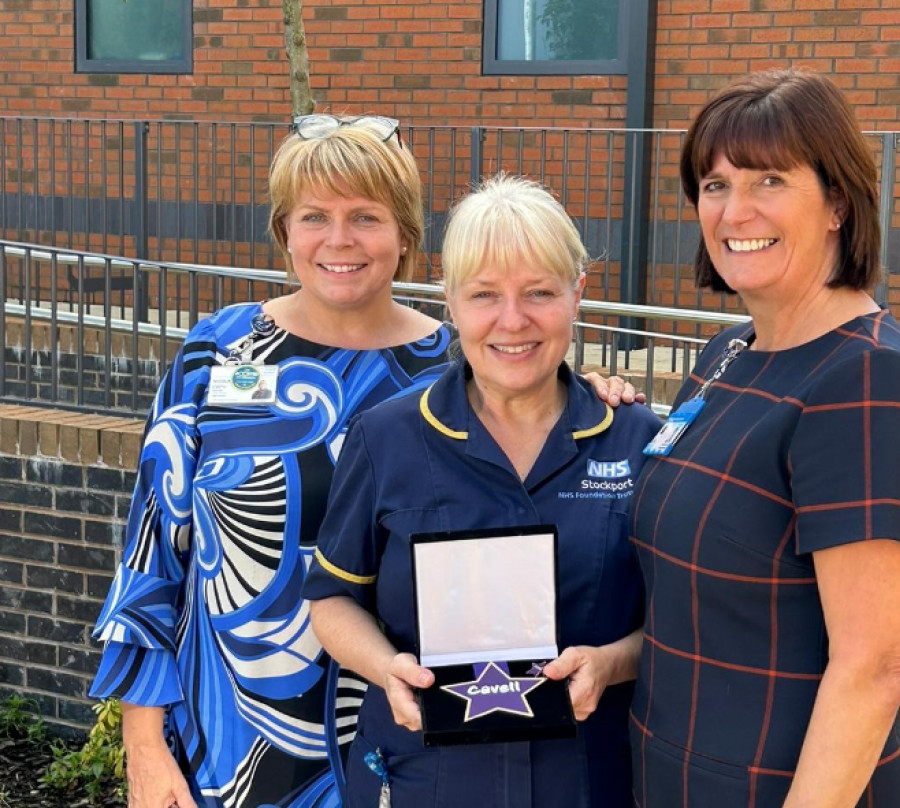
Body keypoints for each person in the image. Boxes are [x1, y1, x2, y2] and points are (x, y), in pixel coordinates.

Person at [89, 116, 636, 808]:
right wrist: (144, 743)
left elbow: (541, 395)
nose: (339, 240)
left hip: (403, 737)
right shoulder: (217, 355)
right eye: (314, 216)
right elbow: (151, 555)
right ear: (285, 233)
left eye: (366, 217)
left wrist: (598, 392)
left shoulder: (459, 359)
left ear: (406, 235)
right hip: (228, 739)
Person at [628, 69, 900, 808]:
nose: (735, 210)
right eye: (714, 185)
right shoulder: (728, 354)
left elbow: (874, 667)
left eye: (768, 180)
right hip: (671, 774)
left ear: (837, 200)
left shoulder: (867, 379)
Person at [303, 174, 663, 808]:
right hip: (423, 779)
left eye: (540, 293)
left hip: (587, 779)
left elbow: (678, 618)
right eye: (485, 295)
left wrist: (611, 663)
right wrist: (384, 667)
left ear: (578, 293)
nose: (513, 321)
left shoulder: (639, 442)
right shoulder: (386, 437)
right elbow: (332, 600)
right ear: (450, 301)